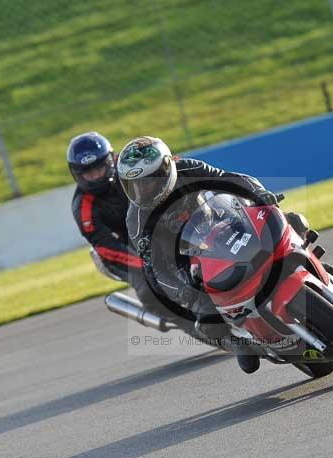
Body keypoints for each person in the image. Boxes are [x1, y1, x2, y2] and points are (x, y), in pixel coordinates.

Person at [116, 135, 305, 374]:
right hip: (185, 260)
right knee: (206, 318)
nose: (142, 190)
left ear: (166, 169)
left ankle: (305, 253)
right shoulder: (137, 219)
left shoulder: (187, 167)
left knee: (289, 220)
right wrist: (180, 289)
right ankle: (237, 343)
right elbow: (154, 268)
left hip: (220, 221)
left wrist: (260, 193)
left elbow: (231, 179)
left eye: (148, 181)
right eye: (134, 185)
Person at [68, 131, 163, 314]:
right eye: (89, 172)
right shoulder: (83, 207)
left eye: (99, 168)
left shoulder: (130, 167)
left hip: (150, 229)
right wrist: (143, 264)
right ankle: (172, 318)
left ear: (110, 161)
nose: (95, 175)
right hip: (119, 249)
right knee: (146, 282)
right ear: (77, 174)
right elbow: (105, 245)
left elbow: (163, 168)